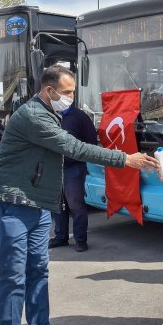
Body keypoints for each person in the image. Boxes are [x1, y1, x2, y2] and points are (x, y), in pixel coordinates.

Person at [0, 65, 159, 325]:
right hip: (13, 203)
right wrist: (124, 159)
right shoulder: (33, 115)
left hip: (39, 203)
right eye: (67, 92)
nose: (70, 98)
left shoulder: (52, 112)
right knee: (14, 273)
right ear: (48, 90)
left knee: (38, 269)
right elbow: (71, 146)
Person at [49, 103, 98, 252]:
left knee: (75, 204)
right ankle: (61, 237)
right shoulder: (48, 115)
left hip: (74, 168)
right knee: (57, 204)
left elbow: (91, 142)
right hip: (54, 168)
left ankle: (80, 239)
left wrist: (76, 155)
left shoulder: (79, 116)